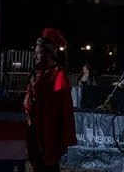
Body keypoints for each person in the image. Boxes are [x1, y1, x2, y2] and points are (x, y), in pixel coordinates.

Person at [24, 29, 76, 172]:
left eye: (40, 53)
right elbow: (28, 100)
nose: (37, 56)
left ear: (49, 53)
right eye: (36, 53)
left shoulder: (58, 74)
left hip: (50, 131)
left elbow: (64, 108)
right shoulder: (35, 73)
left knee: (49, 166)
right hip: (35, 128)